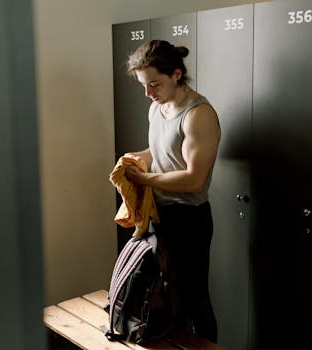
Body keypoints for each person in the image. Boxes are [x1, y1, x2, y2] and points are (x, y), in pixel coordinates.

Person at [121, 39, 220, 343]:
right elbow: (159, 150)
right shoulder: (157, 108)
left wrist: (146, 180)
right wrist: (132, 163)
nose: (148, 93)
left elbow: (194, 179)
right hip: (158, 213)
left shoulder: (198, 114)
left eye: (154, 83)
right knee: (162, 294)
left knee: (193, 298)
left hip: (189, 218)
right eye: (143, 85)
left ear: (177, 74)